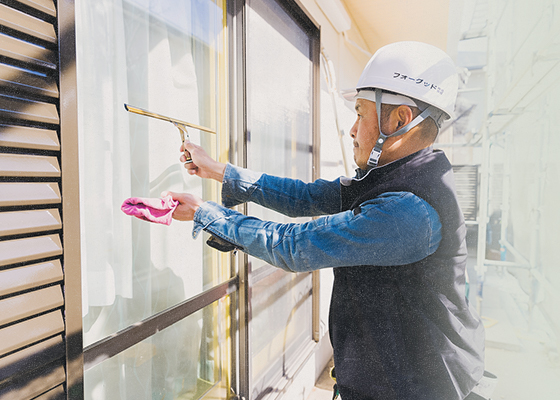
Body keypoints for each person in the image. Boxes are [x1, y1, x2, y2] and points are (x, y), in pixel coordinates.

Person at [163, 41, 485, 400]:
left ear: (400, 120)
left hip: (415, 389)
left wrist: (206, 215)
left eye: (361, 113)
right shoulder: (395, 175)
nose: (351, 129)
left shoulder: (409, 211)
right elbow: (306, 197)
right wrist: (220, 172)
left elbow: (296, 246)